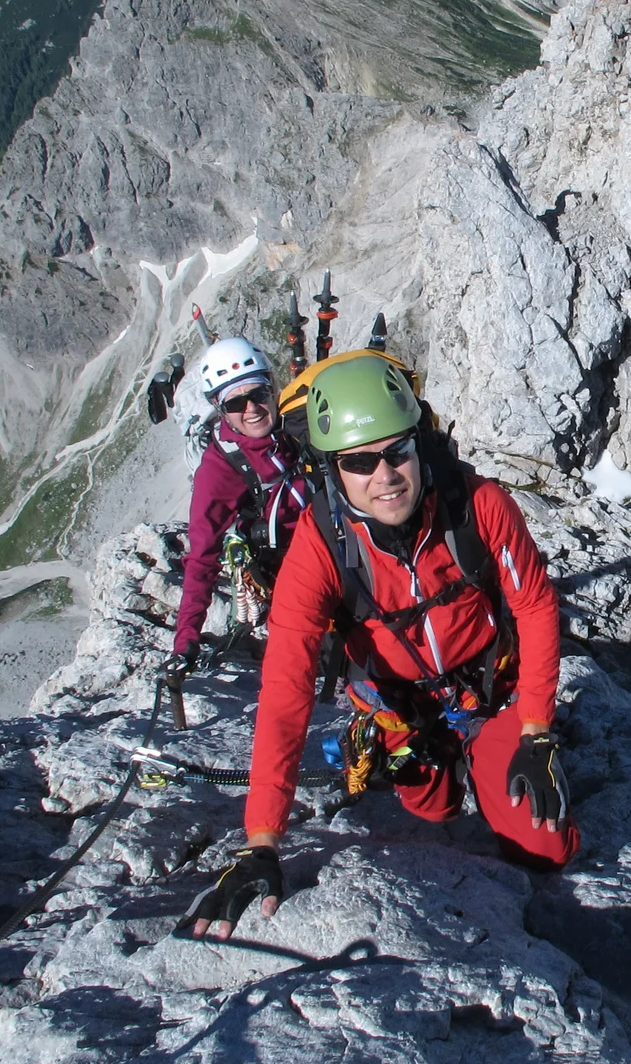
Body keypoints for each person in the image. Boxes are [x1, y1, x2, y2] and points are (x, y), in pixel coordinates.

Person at [188, 354, 575, 939]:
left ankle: (488, 754)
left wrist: (536, 729)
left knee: (550, 847)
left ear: (420, 445)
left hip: (491, 697)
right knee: (432, 811)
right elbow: (287, 686)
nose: (385, 474)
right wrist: (262, 840)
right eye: (360, 462)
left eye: (398, 451)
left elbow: (535, 607)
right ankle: (404, 757)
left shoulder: (480, 505)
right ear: (332, 470)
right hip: (403, 716)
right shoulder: (321, 549)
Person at [171, 337, 312, 662]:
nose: (251, 410)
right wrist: (186, 639)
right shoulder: (220, 468)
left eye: (259, 394)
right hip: (293, 574)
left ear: (272, 387)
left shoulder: (298, 424)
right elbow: (202, 557)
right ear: (220, 410)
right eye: (236, 404)